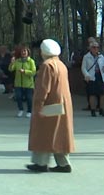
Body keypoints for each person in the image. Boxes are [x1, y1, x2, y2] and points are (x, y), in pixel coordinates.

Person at [26, 39, 75, 173]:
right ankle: (63, 163)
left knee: (43, 132)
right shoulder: (61, 65)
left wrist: (38, 105)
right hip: (62, 104)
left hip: (49, 104)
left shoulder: (47, 66)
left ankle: (40, 163)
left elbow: (43, 88)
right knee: (59, 133)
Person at [81, 40, 104, 117]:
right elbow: (83, 68)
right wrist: (86, 75)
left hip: (101, 76)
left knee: (103, 94)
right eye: (94, 47)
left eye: (97, 47)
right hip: (91, 77)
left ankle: (101, 109)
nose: (96, 49)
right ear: (90, 48)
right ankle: (93, 110)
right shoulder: (86, 57)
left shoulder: (101, 56)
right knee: (92, 94)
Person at [9, 45, 36, 118]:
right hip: (18, 83)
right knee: (18, 97)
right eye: (22, 51)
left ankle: (29, 111)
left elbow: (33, 72)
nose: (23, 53)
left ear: (28, 52)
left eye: (25, 51)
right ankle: (20, 110)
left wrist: (25, 71)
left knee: (29, 98)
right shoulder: (18, 61)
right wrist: (12, 63)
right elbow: (11, 69)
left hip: (28, 84)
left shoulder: (31, 61)